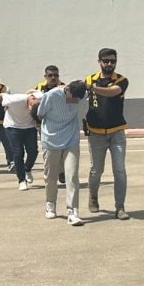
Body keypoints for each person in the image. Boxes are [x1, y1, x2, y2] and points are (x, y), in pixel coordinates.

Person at [85, 48, 130, 220]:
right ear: (99, 62)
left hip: (116, 132)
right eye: (106, 61)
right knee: (96, 170)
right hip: (96, 133)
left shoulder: (121, 80)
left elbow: (113, 92)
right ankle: (93, 197)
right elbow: (75, 96)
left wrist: (91, 88)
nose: (109, 64)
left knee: (119, 170)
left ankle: (120, 207)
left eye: (113, 61)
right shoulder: (90, 79)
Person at [38, 81, 88, 226]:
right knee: (51, 175)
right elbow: (40, 115)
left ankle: (73, 212)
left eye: (77, 99)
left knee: (72, 175)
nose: (74, 101)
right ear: (67, 90)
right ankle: (50, 203)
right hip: (51, 140)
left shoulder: (81, 95)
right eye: (72, 97)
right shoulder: (51, 95)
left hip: (71, 139)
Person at [2, 90, 43, 190]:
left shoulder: (42, 98)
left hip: (29, 127)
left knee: (33, 151)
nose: (31, 110)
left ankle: (27, 168)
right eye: (31, 107)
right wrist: (2, 97)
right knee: (18, 153)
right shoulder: (15, 100)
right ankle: (22, 180)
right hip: (13, 126)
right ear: (31, 99)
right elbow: (3, 96)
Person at [34, 66, 66, 186]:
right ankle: (50, 177)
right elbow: (33, 102)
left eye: (55, 75)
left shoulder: (63, 87)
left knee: (62, 150)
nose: (53, 78)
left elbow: (71, 102)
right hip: (46, 125)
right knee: (47, 151)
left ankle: (61, 171)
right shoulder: (39, 88)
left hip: (62, 125)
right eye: (50, 75)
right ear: (45, 76)